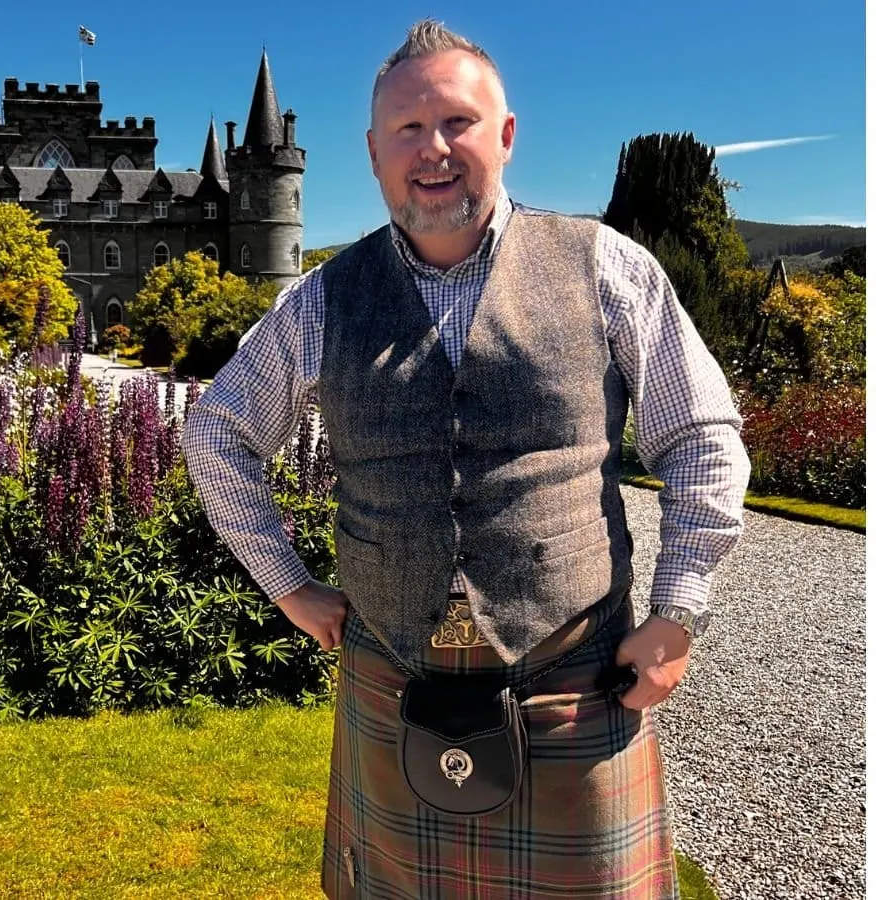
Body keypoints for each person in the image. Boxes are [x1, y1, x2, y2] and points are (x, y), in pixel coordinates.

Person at [184, 18, 749, 900]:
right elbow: (216, 432)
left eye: (458, 122)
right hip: (391, 675)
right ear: (374, 153)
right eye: (408, 129)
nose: (433, 149)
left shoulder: (608, 268)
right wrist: (287, 585)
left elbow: (702, 434)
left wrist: (678, 608)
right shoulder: (320, 301)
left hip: (574, 683)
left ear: (507, 136)